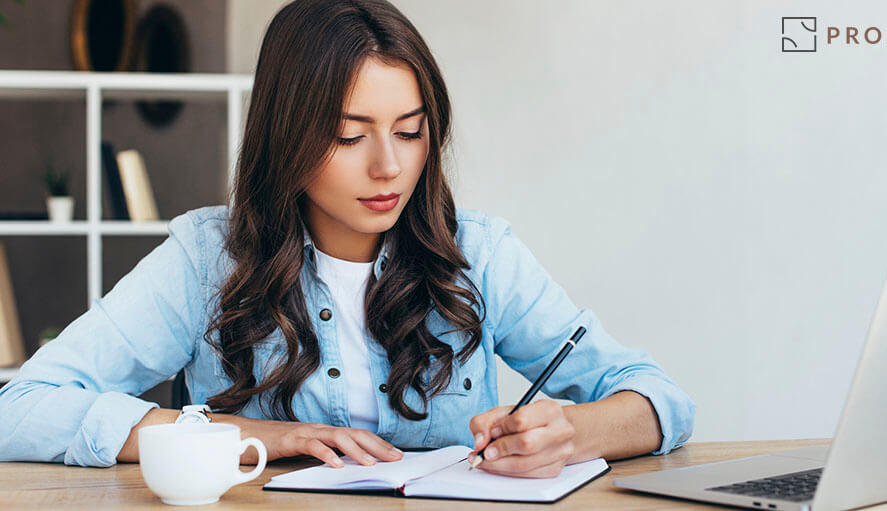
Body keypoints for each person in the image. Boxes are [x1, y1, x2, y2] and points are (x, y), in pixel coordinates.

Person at [0, 0, 694, 478]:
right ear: (288, 134)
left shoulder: (480, 254)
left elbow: (658, 398)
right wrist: (245, 435)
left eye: (411, 130)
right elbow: (20, 409)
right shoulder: (206, 260)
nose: (389, 166)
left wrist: (573, 435)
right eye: (349, 136)